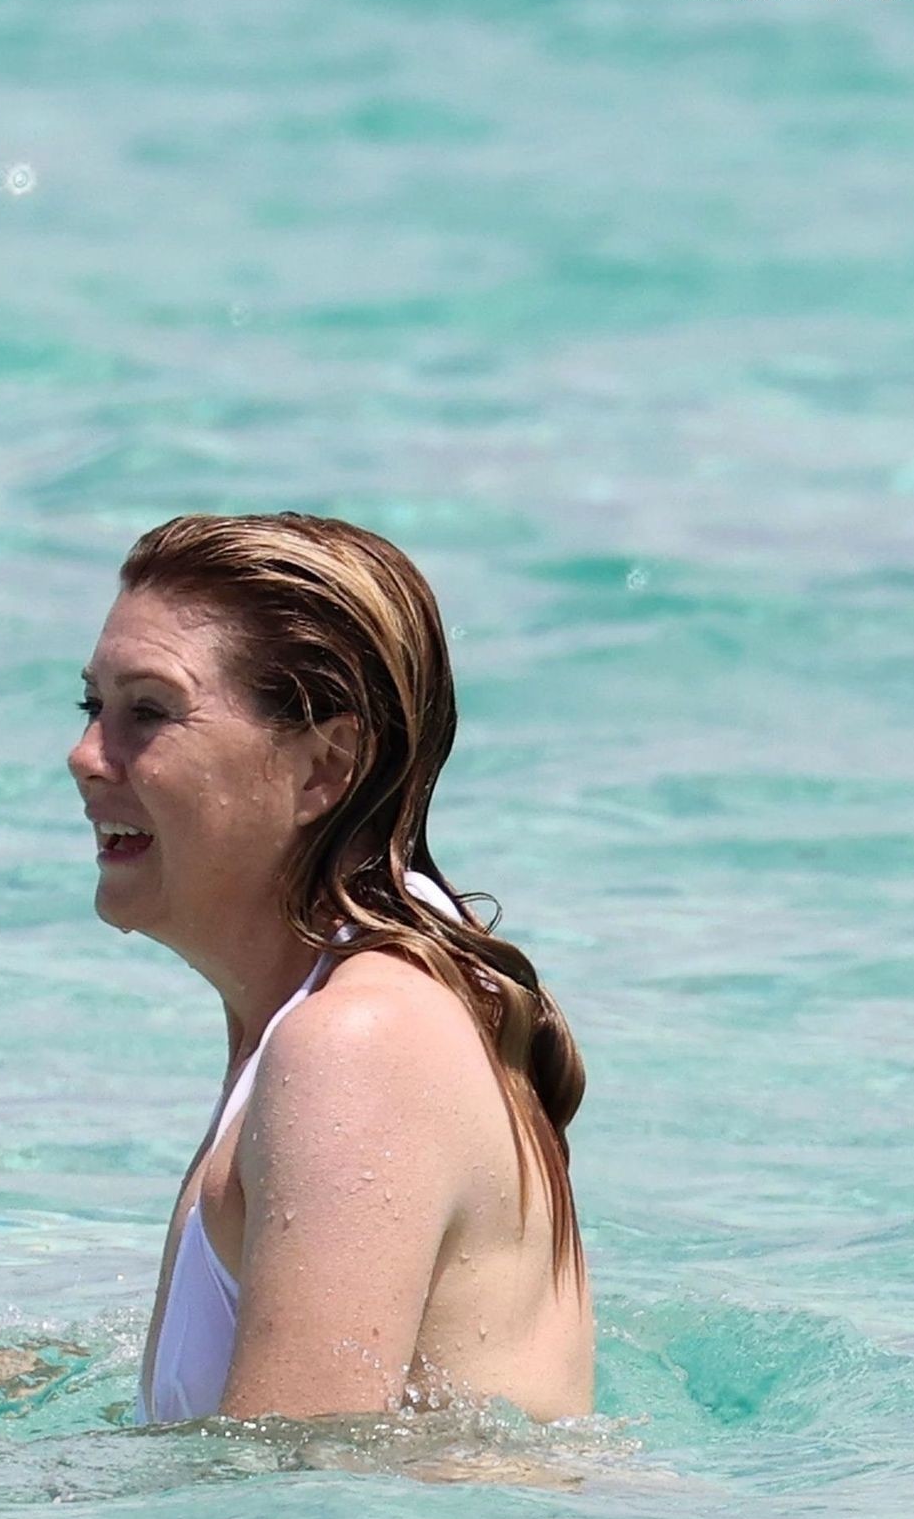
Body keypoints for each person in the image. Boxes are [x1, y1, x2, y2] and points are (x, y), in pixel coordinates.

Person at [68, 513, 593, 1427]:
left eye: (148, 712)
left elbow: (297, 1478)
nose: (84, 757)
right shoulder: (340, 999)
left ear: (324, 767)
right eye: (91, 708)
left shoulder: (354, 1045)